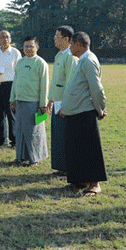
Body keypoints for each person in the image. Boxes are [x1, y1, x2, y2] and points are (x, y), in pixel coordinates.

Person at [59, 32, 107, 197]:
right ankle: (79, 179)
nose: (70, 47)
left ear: (79, 44)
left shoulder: (88, 60)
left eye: (72, 44)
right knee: (76, 148)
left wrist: (100, 109)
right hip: (75, 111)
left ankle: (94, 183)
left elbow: (96, 88)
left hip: (85, 112)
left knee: (89, 148)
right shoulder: (82, 60)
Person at [10, 36, 49, 166]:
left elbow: (44, 85)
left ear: (37, 47)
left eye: (31, 46)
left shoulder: (40, 63)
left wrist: (43, 104)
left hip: (34, 103)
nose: (28, 49)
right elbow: (15, 82)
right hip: (20, 101)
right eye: (26, 46)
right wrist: (12, 98)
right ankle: (21, 157)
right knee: (20, 131)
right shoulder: (20, 62)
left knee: (34, 132)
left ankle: (35, 158)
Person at [47, 26, 78, 176]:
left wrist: (66, 104)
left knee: (65, 135)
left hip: (65, 103)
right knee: (57, 135)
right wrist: (50, 100)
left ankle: (67, 167)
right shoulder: (59, 55)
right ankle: (60, 166)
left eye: (57, 36)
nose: (54, 38)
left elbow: (70, 83)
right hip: (57, 101)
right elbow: (56, 81)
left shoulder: (71, 57)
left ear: (66, 39)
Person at [0, 30, 21, 148]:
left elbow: (19, 71)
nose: (5, 39)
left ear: (10, 39)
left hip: (10, 86)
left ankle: (15, 140)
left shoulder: (15, 53)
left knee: (11, 113)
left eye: (7, 37)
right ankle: (1, 139)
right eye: (3, 37)